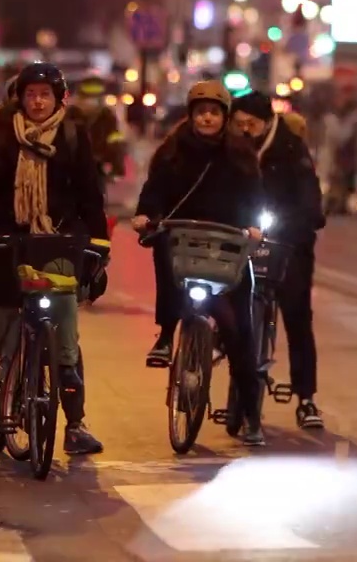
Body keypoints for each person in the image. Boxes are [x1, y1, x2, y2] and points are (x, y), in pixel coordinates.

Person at [0, 62, 109, 457]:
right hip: (4, 241)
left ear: (58, 98)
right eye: (30, 94)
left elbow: (90, 194)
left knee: (66, 332)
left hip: (57, 242)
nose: (37, 101)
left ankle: (75, 424)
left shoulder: (73, 136)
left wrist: (98, 245)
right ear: (19, 97)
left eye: (45, 94)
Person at [132, 81, 268, 446]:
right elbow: (153, 192)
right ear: (191, 115)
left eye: (214, 112)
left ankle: (252, 415)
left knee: (239, 332)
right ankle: (164, 335)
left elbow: (254, 198)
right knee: (163, 249)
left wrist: (254, 227)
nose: (207, 117)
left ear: (224, 117)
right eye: (200, 111)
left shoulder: (240, 155)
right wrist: (146, 216)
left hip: (227, 249)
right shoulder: (171, 152)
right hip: (183, 242)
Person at [230, 92, 326, 428]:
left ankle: (306, 398)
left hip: (288, 239)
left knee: (297, 314)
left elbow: (309, 193)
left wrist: (307, 219)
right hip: (242, 236)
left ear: (267, 122)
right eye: (238, 123)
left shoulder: (289, 147)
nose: (244, 130)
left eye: (251, 124)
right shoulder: (230, 145)